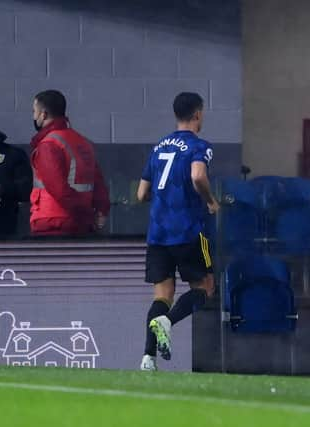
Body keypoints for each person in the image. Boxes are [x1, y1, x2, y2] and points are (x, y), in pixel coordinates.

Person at [137, 92, 219, 371]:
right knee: (205, 287)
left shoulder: (158, 147)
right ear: (197, 114)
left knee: (162, 295)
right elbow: (198, 176)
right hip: (189, 230)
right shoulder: (200, 146)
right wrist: (210, 201)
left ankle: (148, 358)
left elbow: (141, 193)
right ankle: (168, 322)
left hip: (158, 233)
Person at [29, 90, 110, 235]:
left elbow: (59, 190)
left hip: (53, 222)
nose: (33, 117)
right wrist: (100, 212)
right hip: (81, 225)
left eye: (34, 112)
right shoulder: (83, 143)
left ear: (44, 114)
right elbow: (99, 183)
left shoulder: (48, 144)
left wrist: (87, 215)